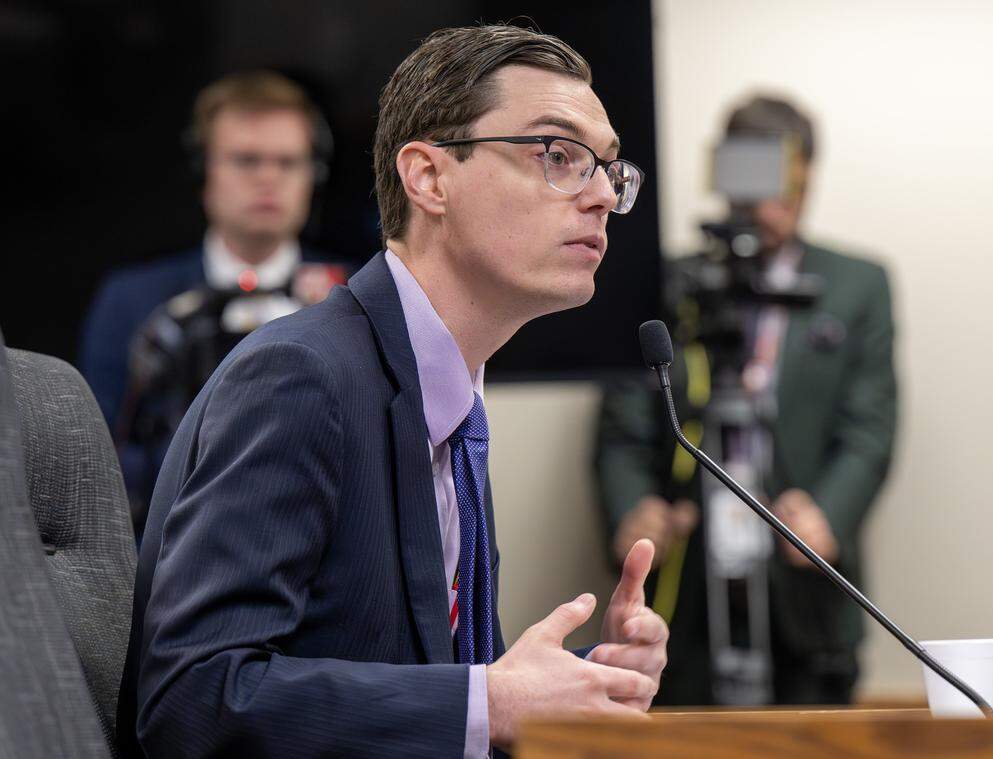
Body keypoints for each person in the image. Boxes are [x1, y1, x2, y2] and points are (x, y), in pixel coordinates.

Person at [119, 24, 666, 758]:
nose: (602, 194)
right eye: (558, 155)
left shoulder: (449, 399)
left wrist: (572, 692)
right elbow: (193, 701)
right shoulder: (301, 376)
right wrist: (492, 699)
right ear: (429, 177)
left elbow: (425, 695)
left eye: (608, 169)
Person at [596, 95, 897, 706]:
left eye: (782, 180)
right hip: (685, 591)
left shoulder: (858, 285)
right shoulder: (665, 285)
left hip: (806, 597)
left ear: (806, 176)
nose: (766, 202)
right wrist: (636, 513)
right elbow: (621, 426)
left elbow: (870, 426)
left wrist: (826, 520)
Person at [79, 70, 345, 526]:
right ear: (203, 170)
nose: (268, 178)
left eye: (287, 162)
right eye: (246, 160)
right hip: (166, 558)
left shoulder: (354, 296)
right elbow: (94, 464)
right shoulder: (131, 301)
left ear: (313, 175)